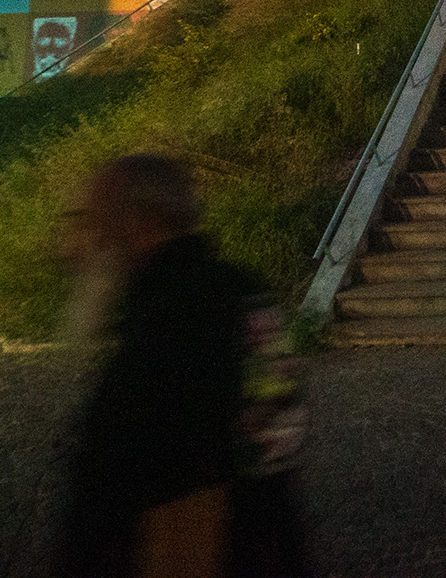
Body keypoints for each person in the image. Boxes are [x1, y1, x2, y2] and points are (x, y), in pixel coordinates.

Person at [54, 155, 308, 578]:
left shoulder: (166, 324)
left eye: (94, 223)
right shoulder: (243, 291)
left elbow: (118, 492)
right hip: (269, 545)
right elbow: (281, 428)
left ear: (136, 223)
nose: (68, 249)